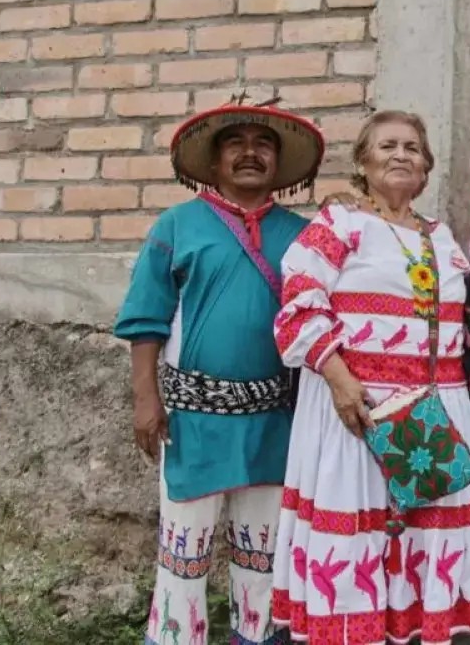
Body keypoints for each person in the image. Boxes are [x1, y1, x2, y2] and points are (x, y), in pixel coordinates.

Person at [270, 111, 470, 645]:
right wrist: (339, 379)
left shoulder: (442, 237)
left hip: (434, 413)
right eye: (388, 145)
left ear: (427, 167)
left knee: (426, 531)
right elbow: (300, 302)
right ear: (363, 161)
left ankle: (410, 631)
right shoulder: (338, 224)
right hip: (360, 409)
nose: (401, 155)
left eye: (412, 148)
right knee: (361, 529)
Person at [115, 97, 324, 645]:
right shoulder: (177, 226)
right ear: (213, 162)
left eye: (263, 144)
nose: (250, 153)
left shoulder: (304, 236)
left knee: (264, 553)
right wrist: (146, 399)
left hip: (275, 420)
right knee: (183, 553)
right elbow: (146, 320)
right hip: (193, 422)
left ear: (278, 162)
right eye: (236, 143)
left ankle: (257, 636)